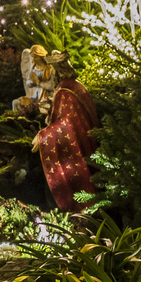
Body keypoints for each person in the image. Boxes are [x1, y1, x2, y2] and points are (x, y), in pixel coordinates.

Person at [32, 52, 101, 212]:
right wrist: (51, 107)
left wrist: (43, 136)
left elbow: (67, 124)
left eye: (52, 71)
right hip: (87, 144)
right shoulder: (75, 86)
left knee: (52, 178)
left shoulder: (65, 92)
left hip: (74, 152)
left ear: (57, 71)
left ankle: (62, 214)